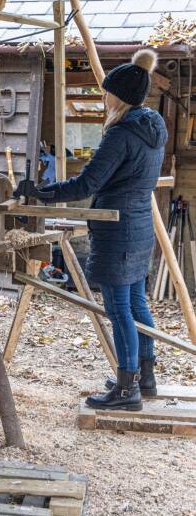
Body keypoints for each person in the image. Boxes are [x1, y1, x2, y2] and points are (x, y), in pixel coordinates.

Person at [21, 49, 165, 411]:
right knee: (136, 303)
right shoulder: (153, 126)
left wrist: (41, 193)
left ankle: (127, 389)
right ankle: (144, 378)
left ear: (120, 96)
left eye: (107, 93)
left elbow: (87, 184)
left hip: (117, 229)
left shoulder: (122, 134)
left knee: (119, 308)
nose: (104, 98)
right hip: (139, 226)